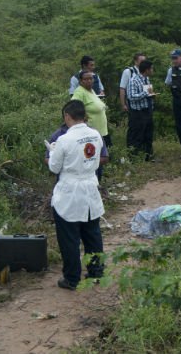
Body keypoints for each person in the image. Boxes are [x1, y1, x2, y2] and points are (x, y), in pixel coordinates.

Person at [46, 100, 107, 290]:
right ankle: (97, 272)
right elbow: (97, 160)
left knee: (69, 237)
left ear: (67, 116)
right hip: (89, 186)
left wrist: (53, 152)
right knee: (92, 233)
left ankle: (72, 278)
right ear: (84, 115)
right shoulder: (95, 134)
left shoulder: (64, 139)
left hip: (69, 191)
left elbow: (54, 167)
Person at [71, 70, 111, 181]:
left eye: (91, 79)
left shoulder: (91, 90)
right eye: (86, 79)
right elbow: (74, 107)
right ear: (81, 81)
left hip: (100, 131)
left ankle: (98, 183)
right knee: (92, 158)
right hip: (90, 132)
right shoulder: (79, 92)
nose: (89, 81)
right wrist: (84, 119)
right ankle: (93, 183)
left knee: (99, 158)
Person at [126, 59, 156, 161]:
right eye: (151, 69)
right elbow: (131, 96)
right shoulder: (134, 80)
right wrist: (146, 94)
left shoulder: (146, 79)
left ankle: (148, 155)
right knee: (137, 135)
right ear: (146, 70)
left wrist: (152, 95)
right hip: (138, 113)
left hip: (147, 110)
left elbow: (148, 93)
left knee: (148, 134)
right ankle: (134, 157)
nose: (153, 70)